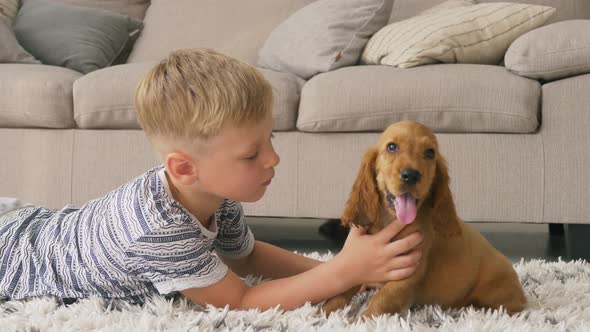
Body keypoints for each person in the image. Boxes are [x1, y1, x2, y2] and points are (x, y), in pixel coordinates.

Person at [0, 48, 422, 310]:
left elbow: (247, 257)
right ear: (184, 167)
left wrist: (345, 270)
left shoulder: (211, 192)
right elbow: (240, 299)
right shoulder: (159, 228)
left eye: (269, 139)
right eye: (252, 153)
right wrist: (342, 273)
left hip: (36, 222)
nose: (274, 158)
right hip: (13, 257)